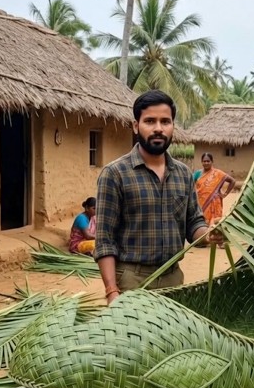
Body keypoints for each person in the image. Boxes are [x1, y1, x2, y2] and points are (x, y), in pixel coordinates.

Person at [94, 90, 225, 305]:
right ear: (136, 126)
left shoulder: (183, 173)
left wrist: (209, 234)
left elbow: (194, 223)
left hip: (174, 279)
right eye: (150, 121)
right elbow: (105, 240)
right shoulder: (115, 173)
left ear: (173, 126)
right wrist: (111, 292)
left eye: (165, 121)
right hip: (132, 280)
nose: (158, 128)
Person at [192, 153, 236, 229]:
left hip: (215, 203)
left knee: (214, 226)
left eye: (208, 161)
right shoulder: (197, 173)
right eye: (204, 161)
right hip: (200, 203)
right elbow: (190, 185)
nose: (206, 163)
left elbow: (232, 181)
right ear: (201, 162)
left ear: (212, 162)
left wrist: (225, 194)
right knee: (201, 224)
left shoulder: (218, 173)